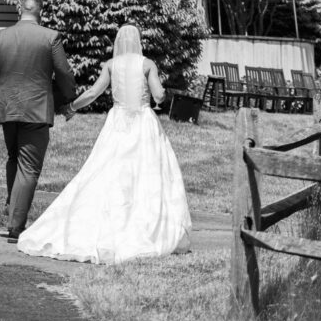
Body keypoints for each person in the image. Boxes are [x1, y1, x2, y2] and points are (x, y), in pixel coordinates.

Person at [17, 23, 192, 264]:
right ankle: (145, 226)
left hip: (117, 123)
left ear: (118, 42)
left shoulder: (110, 65)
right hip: (143, 122)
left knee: (106, 169)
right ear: (139, 41)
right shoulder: (147, 64)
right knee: (148, 173)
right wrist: (162, 95)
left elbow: (92, 94)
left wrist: (71, 107)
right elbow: (159, 96)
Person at [0, 0, 77, 243]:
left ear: (19, 11)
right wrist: (67, 100)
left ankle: (14, 208)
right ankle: (16, 226)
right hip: (36, 108)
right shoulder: (50, 37)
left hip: (8, 107)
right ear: (40, 13)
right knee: (29, 167)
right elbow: (64, 73)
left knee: (14, 158)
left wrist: (0, 87)